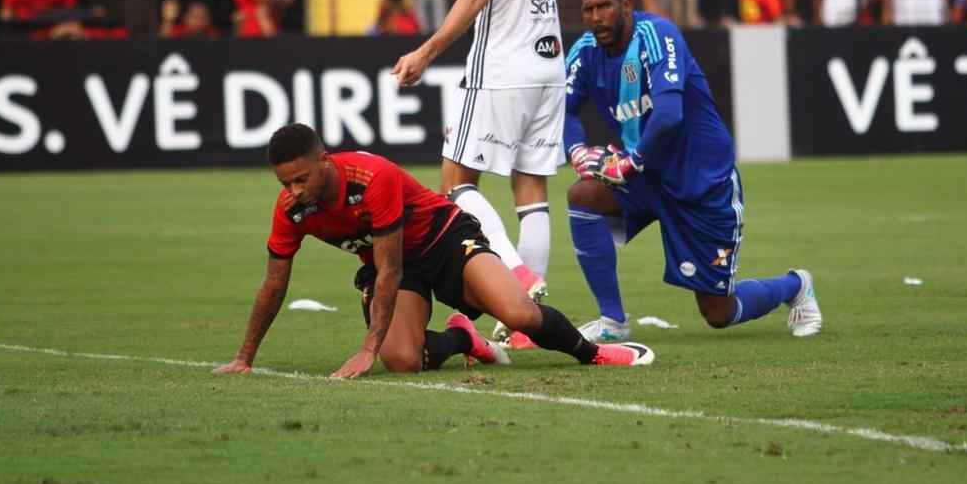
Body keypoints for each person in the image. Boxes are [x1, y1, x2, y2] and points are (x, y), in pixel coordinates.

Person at [212, 124, 653, 379]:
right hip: (398, 266)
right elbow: (274, 282)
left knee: (519, 315)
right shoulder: (291, 209)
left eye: (301, 179)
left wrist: (368, 349)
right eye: (285, 183)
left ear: (324, 160)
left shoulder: (371, 177)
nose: (294, 191)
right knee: (403, 361)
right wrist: (244, 358)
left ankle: (591, 353)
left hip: (444, 240)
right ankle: (463, 337)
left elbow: (388, 268)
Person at [562, 0, 821, 343]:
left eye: (604, 6)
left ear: (627, 6)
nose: (596, 16)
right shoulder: (585, 52)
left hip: (700, 180)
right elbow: (565, 110)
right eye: (588, 9)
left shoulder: (658, 36)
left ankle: (795, 286)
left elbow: (669, 115)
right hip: (646, 176)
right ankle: (612, 320)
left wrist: (629, 162)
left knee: (718, 312)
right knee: (583, 196)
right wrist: (578, 151)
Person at [392, 0, 568, 348]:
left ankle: (514, 274)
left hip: (500, 69)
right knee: (531, 189)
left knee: (456, 185)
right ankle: (525, 329)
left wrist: (425, 51)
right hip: (547, 65)